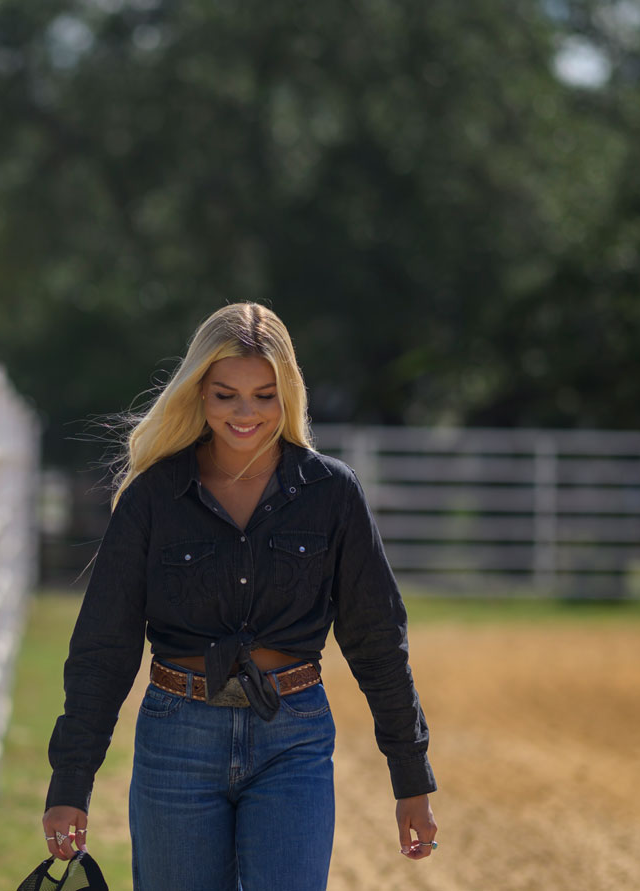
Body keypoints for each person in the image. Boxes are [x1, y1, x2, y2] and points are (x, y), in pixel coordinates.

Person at [41, 302, 437, 889]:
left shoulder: (332, 494)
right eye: (227, 394)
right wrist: (71, 781)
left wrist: (411, 777)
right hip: (176, 738)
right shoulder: (153, 497)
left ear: (289, 395)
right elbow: (104, 643)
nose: (245, 412)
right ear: (199, 393)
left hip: (294, 738)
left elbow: (377, 638)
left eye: (264, 395)